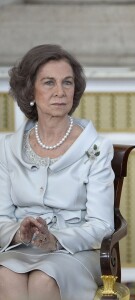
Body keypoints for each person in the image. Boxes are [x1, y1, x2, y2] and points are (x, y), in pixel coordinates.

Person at [0, 44, 115, 300]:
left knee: (44, 279)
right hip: (21, 248)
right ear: (30, 91)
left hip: (75, 252)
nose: (60, 92)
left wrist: (57, 240)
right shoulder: (7, 148)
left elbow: (102, 224)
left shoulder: (96, 147)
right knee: (4, 273)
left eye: (67, 82)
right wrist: (19, 232)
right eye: (49, 83)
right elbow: (1, 217)